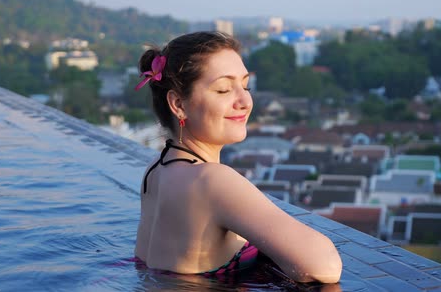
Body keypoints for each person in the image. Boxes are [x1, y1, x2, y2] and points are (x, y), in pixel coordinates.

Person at [133, 31, 342, 283]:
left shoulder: (156, 170)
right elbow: (324, 266)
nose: (245, 101)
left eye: (245, 86)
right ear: (178, 103)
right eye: (223, 89)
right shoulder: (213, 180)